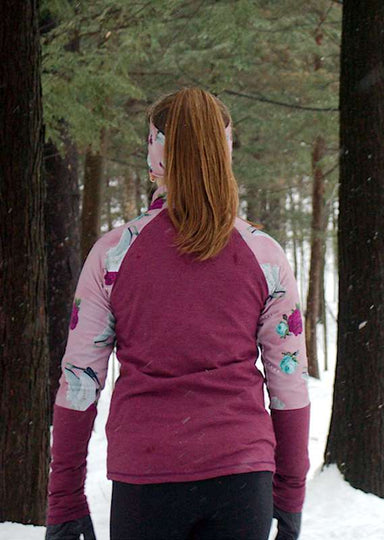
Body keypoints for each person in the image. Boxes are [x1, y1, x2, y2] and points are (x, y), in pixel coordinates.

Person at [45, 87, 310, 540]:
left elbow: (79, 381)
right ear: (223, 154)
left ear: (157, 153)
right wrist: (290, 495)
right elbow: (289, 383)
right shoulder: (264, 255)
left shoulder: (114, 255)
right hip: (242, 480)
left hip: (147, 482)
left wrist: (65, 498)